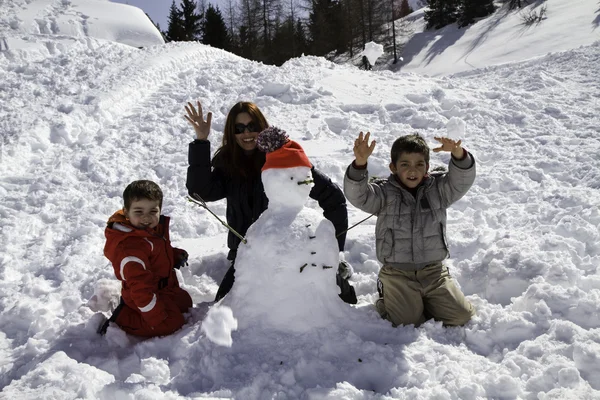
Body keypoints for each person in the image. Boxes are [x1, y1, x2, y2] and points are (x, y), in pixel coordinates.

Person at [184, 101, 357, 304]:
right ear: (232, 133)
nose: (246, 133)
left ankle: (340, 271)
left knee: (337, 302)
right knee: (225, 306)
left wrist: (331, 249)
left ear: (262, 127)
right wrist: (201, 142)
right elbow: (199, 192)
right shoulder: (227, 164)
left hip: (292, 252)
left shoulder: (283, 158)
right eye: (239, 128)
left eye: (252, 126)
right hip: (247, 257)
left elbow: (333, 198)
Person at [344, 132, 476, 327]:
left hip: (433, 272)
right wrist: (360, 163)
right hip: (397, 273)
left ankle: (425, 301)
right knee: (407, 322)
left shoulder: (439, 191)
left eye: (419, 164)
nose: (412, 170)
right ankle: (386, 298)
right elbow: (358, 195)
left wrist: (458, 154)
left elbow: (461, 181)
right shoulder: (384, 193)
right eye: (405, 164)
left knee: (461, 316)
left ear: (427, 168)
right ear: (393, 167)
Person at [101, 180, 192, 337]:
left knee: (185, 303)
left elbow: (156, 251)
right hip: (142, 295)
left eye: (152, 211)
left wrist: (173, 254)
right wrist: (155, 316)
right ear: (126, 212)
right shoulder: (130, 248)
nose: (146, 218)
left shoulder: (150, 230)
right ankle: (124, 317)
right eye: (139, 211)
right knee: (171, 324)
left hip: (164, 289)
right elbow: (140, 288)